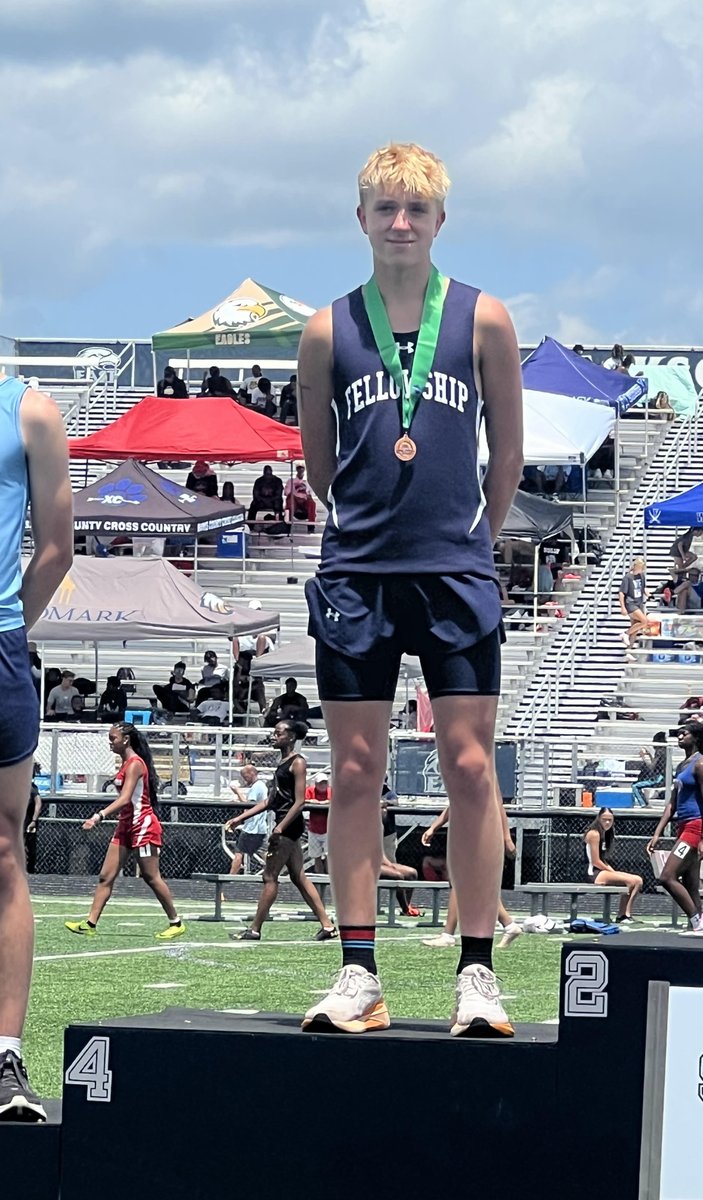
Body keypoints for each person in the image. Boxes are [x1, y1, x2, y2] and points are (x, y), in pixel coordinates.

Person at [298, 142, 523, 1037]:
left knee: (470, 768)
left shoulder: (482, 320)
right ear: (360, 220)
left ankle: (476, 972)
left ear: (438, 222)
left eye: (415, 211)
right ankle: (359, 975)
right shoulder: (325, 329)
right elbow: (319, 464)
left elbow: (504, 454)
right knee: (353, 774)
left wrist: (474, 538)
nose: (399, 224)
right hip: (357, 574)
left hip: (454, 571)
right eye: (384, 209)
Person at [0, 371, 72, 1120]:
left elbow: (58, 549)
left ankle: (2, 1057)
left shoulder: (31, 410)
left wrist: (8, 625)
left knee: (2, 849)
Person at [65, 724, 186, 940]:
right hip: (126, 826)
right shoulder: (125, 764)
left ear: (126, 740)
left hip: (143, 826)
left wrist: (98, 816)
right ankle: (90, 923)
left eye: (113, 738)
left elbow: (124, 798)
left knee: (151, 876)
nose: (110, 742)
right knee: (106, 876)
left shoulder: (135, 764)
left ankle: (175, 922)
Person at [228, 720, 337, 942]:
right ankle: (327, 925)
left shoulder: (298, 763)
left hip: (288, 826)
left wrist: (280, 827)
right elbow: (270, 800)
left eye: (279, 733)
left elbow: (299, 802)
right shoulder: (282, 763)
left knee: (269, 876)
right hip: (286, 824)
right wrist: (241, 817)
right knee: (298, 876)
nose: (274, 736)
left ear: (291, 737)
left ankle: (255, 929)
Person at [421, 785, 523, 948]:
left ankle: (448, 934)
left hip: (481, 831)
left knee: (462, 881)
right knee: (472, 884)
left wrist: (506, 838)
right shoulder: (461, 774)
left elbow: (498, 803)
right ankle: (509, 925)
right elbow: (454, 804)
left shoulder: (483, 768)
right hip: (466, 831)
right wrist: (434, 826)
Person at [647, 722, 703, 933]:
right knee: (690, 879)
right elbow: (672, 804)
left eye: (684, 734)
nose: (679, 737)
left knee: (667, 876)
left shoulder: (700, 764)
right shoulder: (681, 766)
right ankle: (698, 924)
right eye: (678, 734)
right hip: (683, 825)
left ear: (696, 738)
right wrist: (657, 833)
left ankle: (696, 920)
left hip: (695, 827)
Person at [584, 808, 643, 923]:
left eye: (610, 820)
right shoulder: (594, 834)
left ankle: (625, 914)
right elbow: (596, 861)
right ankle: (623, 915)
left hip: (601, 871)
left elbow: (603, 859)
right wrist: (612, 872)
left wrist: (611, 871)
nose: (607, 823)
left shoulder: (605, 834)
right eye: (604, 820)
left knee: (638, 881)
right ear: (599, 819)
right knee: (630, 882)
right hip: (593, 872)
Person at [225, 765, 269, 876]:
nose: (244, 779)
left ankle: (230, 878)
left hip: (252, 828)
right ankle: (273, 874)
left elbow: (249, 806)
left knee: (239, 853)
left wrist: (238, 792)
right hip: (260, 827)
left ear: (251, 774)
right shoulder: (261, 786)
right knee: (264, 853)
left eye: (245, 776)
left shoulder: (257, 787)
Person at [618, 557, 652, 650]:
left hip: (639, 603)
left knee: (635, 628)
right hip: (630, 603)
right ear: (636, 566)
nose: (642, 570)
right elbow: (621, 593)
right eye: (641, 567)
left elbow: (643, 588)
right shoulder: (628, 577)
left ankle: (629, 650)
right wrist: (623, 607)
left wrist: (649, 595)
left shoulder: (641, 576)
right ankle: (625, 633)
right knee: (644, 621)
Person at [632, 731, 668, 808]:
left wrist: (643, 757)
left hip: (659, 779)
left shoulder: (659, 752)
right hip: (662, 777)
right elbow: (655, 763)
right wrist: (649, 755)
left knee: (635, 786)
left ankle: (644, 804)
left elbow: (652, 767)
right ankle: (645, 803)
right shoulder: (664, 751)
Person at [305, 772, 331, 873]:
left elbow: (334, 800)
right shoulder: (310, 790)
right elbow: (304, 800)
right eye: (320, 783)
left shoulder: (330, 791)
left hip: (328, 830)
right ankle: (319, 878)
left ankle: (329, 879)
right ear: (316, 784)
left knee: (329, 856)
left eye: (325, 783)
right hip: (314, 829)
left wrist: (319, 802)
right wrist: (315, 802)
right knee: (316, 857)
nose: (323, 785)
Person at [284, 464, 317, 532]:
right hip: (295, 500)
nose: (300, 470)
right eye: (299, 468)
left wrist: (306, 496)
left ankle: (311, 526)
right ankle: (287, 525)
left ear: (304, 470)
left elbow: (310, 493)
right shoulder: (291, 481)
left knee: (312, 503)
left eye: (302, 468)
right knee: (290, 499)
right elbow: (287, 493)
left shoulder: (308, 482)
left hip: (304, 501)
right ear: (297, 470)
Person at [23, 771, 42, 876]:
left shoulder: (31, 788)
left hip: (27, 823)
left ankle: (28, 871)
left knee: (28, 848)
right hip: (18, 823)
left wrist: (33, 821)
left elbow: (38, 803)